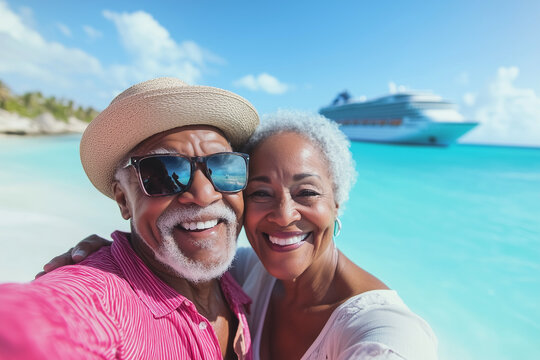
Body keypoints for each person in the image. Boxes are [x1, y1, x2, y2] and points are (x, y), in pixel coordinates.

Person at [43, 111, 439, 359]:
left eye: (307, 193)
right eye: (261, 193)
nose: (284, 216)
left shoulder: (386, 335)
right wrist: (111, 255)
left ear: (338, 202)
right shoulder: (247, 272)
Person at [0, 77, 260, 359]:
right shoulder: (103, 302)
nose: (204, 193)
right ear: (123, 199)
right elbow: (32, 324)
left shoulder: (247, 276)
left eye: (223, 166)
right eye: (162, 173)